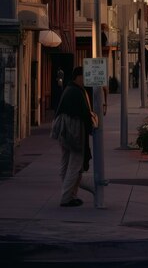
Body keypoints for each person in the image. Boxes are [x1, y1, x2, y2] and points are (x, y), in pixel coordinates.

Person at [51, 66, 94, 207]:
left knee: (66, 163)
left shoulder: (69, 89)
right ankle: (67, 197)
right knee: (75, 165)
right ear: (78, 77)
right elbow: (84, 113)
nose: (86, 80)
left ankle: (69, 195)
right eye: (85, 76)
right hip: (74, 133)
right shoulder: (76, 91)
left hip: (64, 133)